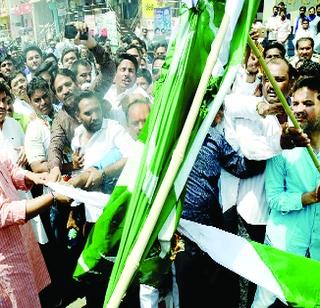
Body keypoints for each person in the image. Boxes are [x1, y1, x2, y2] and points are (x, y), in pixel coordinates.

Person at [174, 121, 266, 308]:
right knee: (188, 290)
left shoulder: (213, 137)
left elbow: (239, 166)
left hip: (212, 228)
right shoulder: (170, 139)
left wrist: (264, 151)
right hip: (180, 232)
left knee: (215, 287)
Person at [252, 76, 320, 307]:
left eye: (308, 104)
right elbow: (274, 198)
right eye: (296, 103)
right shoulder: (284, 143)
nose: (299, 110)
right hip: (284, 247)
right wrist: (308, 198)